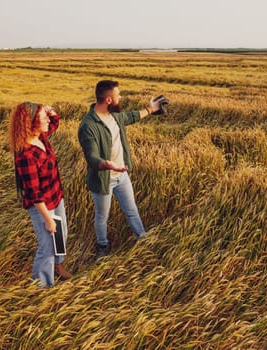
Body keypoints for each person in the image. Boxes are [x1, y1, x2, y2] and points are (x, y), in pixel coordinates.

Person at [77, 80, 167, 259]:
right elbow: (92, 157)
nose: (121, 98)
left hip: (122, 176)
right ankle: (102, 246)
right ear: (109, 100)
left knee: (131, 209)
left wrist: (151, 109)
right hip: (104, 180)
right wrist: (107, 165)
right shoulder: (88, 126)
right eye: (118, 96)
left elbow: (131, 116)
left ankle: (142, 240)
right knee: (102, 217)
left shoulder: (115, 116)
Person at [9, 101, 72, 287]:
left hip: (55, 196)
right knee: (47, 247)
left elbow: (54, 124)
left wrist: (51, 113)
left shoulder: (40, 137)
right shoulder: (26, 156)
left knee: (62, 236)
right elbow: (35, 194)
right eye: (43, 118)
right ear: (30, 123)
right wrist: (48, 220)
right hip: (42, 206)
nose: (47, 121)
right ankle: (42, 285)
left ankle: (57, 266)